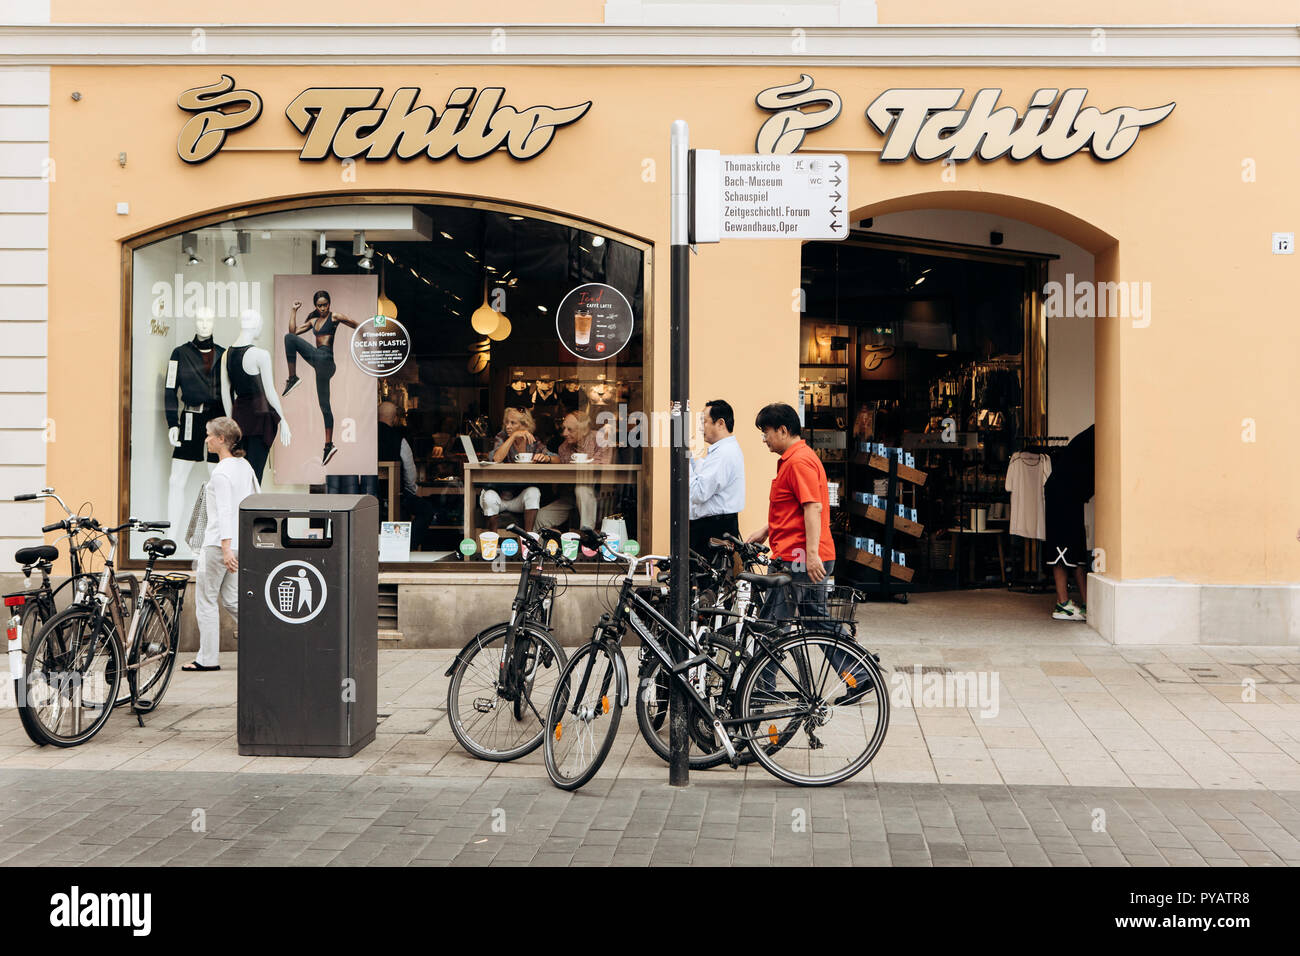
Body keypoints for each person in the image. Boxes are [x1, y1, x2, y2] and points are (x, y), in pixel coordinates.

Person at [184, 416, 259, 672]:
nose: (206, 439)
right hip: (240, 542)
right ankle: (265, 641)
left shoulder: (221, 473)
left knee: (206, 601)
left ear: (221, 439)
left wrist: (226, 548)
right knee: (233, 600)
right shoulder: (244, 466)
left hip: (219, 545)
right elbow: (254, 501)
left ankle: (207, 659)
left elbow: (225, 511)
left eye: (209, 435)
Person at [283, 290, 359, 466]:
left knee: (290, 339)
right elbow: (292, 332)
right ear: (315, 306)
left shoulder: (334, 317)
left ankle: (293, 378)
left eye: (325, 305)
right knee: (324, 406)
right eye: (320, 305)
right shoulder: (313, 321)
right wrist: (293, 311)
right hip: (319, 366)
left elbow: (355, 324)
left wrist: (372, 332)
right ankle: (328, 445)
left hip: (326, 360)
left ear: (329, 304)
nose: (323, 308)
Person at [479, 407, 567, 532]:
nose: (508, 426)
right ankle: (493, 539)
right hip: (499, 495)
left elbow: (557, 459)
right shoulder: (502, 437)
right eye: (506, 422)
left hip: (518, 498)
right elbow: (497, 458)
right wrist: (513, 436)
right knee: (489, 496)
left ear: (525, 425)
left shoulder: (533, 441)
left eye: (513, 423)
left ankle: (528, 538)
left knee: (533, 492)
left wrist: (546, 458)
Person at [1044, 424, 1095, 621]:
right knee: (1065, 546)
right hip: (1063, 492)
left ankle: (1085, 604)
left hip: (1068, 492)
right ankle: (1064, 604)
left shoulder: (1095, 435)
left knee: (1075, 547)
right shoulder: (1103, 437)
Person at [689, 399, 745, 557]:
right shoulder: (722, 451)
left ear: (720, 423)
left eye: (704, 422)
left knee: (707, 580)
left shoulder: (724, 454)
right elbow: (704, 478)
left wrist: (684, 464)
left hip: (713, 529)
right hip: (715, 526)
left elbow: (699, 492)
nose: (700, 427)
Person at [378, 401, 434, 549]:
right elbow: (410, 474)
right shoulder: (399, 440)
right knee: (426, 510)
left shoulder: (366, 438)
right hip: (396, 497)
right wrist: (409, 492)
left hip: (370, 497)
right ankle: (407, 546)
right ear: (395, 418)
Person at [552, 410, 611, 529]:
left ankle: (588, 537)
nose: (564, 433)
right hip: (569, 496)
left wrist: (584, 462)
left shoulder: (600, 438)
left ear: (583, 430)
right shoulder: (563, 447)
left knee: (582, 490)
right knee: (542, 517)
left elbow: (604, 464)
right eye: (564, 428)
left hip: (598, 492)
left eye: (570, 430)